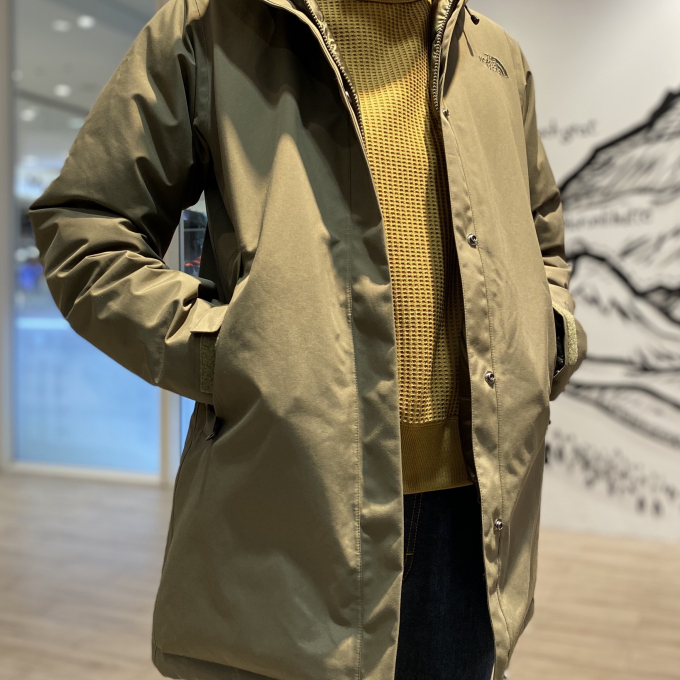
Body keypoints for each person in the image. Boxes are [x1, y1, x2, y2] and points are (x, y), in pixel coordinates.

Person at [28, 0, 587, 679]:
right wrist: (228, 352)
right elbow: (86, 230)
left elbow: (540, 232)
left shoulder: (494, 55)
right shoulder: (210, 27)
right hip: (293, 510)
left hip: (474, 523)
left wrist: (549, 334)